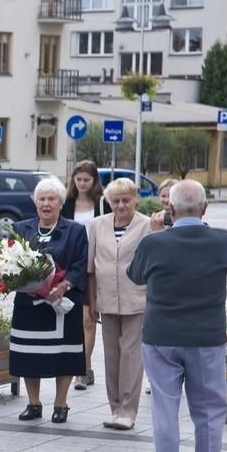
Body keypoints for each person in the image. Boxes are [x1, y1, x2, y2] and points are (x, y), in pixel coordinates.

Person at [127, 180, 227, 452]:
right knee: (210, 410)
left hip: (162, 336)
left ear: (169, 208)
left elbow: (134, 275)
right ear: (205, 208)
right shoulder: (223, 240)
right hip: (206, 337)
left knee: (164, 408)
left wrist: (154, 232)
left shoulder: (154, 244)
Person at [10, 178, 88, 423]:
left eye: (51, 199)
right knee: (28, 355)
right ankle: (33, 403)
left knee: (62, 356)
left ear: (60, 203)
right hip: (28, 304)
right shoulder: (21, 228)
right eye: (41, 199)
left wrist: (64, 285)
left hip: (60, 304)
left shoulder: (75, 230)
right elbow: (11, 261)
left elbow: (80, 264)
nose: (46, 204)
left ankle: (60, 403)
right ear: (35, 202)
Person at [87, 178, 150, 430]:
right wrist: (91, 301)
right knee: (111, 356)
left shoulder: (147, 225)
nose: (121, 205)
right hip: (106, 298)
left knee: (132, 356)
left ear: (135, 199)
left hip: (137, 299)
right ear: (108, 202)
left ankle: (128, 410)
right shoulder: (97, 225)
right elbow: (90, 268)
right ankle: (115, 408)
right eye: (116, 201)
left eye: (126, 200)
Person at [62, 161, 107, 391]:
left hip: (98, 264)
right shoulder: (67, 203)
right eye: (78, 179)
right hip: (73, 265)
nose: (81, 184)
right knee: (77, 320)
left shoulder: (102, 203)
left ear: (94, 181)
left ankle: (83, 370)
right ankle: (84, 368)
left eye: (86, 180)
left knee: (90, 318)